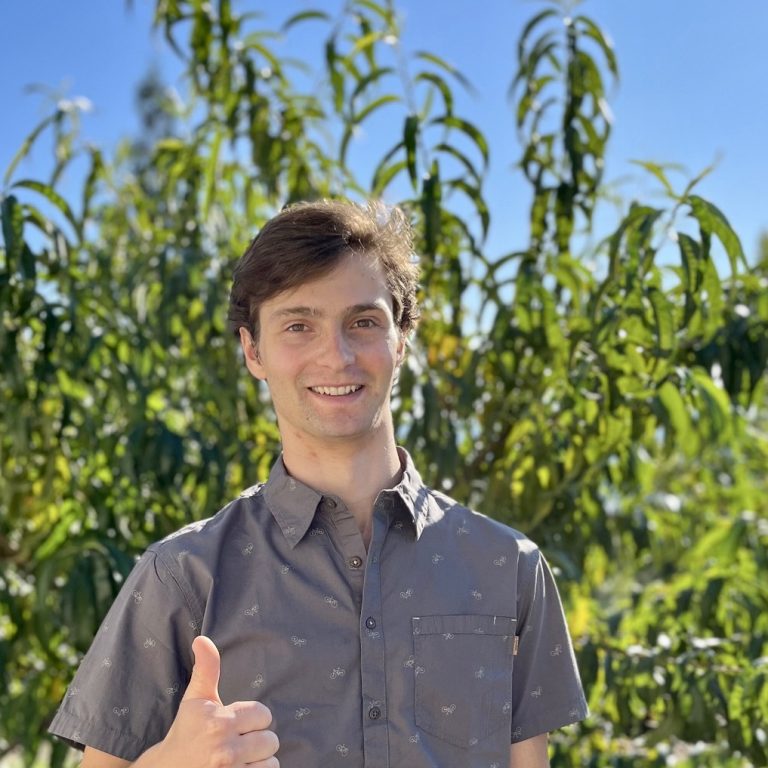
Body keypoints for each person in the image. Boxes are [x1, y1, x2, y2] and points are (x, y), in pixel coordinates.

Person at [49, 199, 588, 767]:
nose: (337, 355)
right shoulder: (181, 577)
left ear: (402, 340)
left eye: (363, 322)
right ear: (253, 350)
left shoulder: (509, 567)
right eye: (298, 325)